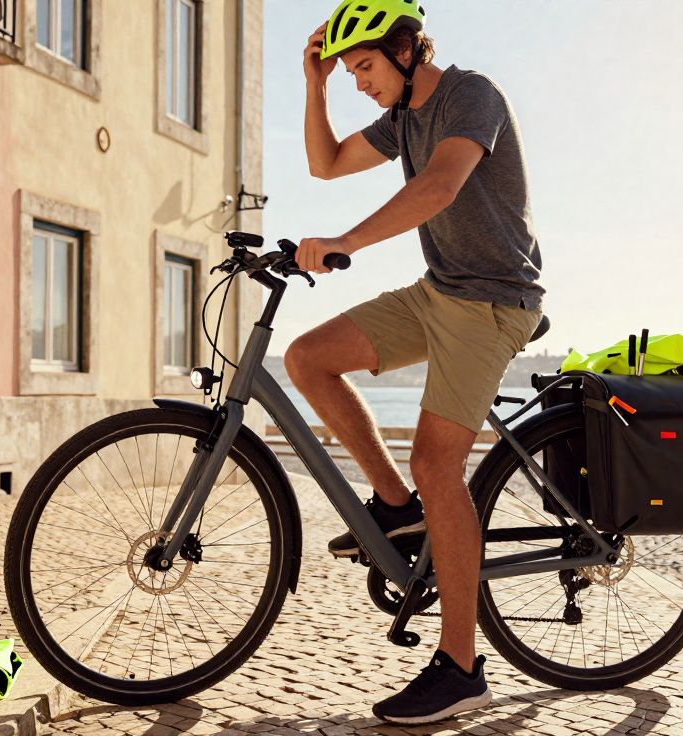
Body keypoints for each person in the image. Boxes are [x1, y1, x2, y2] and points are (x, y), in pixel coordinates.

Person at [283, 0, 546, 725]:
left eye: (364, 66)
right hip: (441, 291)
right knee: (307, 357)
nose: (360, 82)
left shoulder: (471, 95)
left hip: (494, 300)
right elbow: (325, 164)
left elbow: (438, 188)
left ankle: (461, 669)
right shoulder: (401, 120)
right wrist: (314, 84)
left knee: (438, 464)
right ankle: (398, 511)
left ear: (405, 50)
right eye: (350, 72)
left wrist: (346, 242)